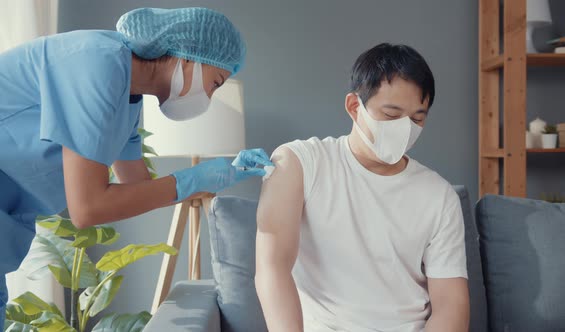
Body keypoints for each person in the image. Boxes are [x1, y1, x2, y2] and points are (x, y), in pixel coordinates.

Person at [0, 7, 272, 327]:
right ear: (189, 57)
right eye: (215, 83)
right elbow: (87, 209)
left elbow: (136, 187)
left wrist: (228, 173)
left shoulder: (127, 98)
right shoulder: (98, 63)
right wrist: (193, 178)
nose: (209, 96)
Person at [255, 43, 469, 332]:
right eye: (392, 115)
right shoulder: (299, 163)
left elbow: (451, 306)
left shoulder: (439, 196)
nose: (406, 129)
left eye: (417, 118)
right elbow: (272, 268)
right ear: (355, 107)